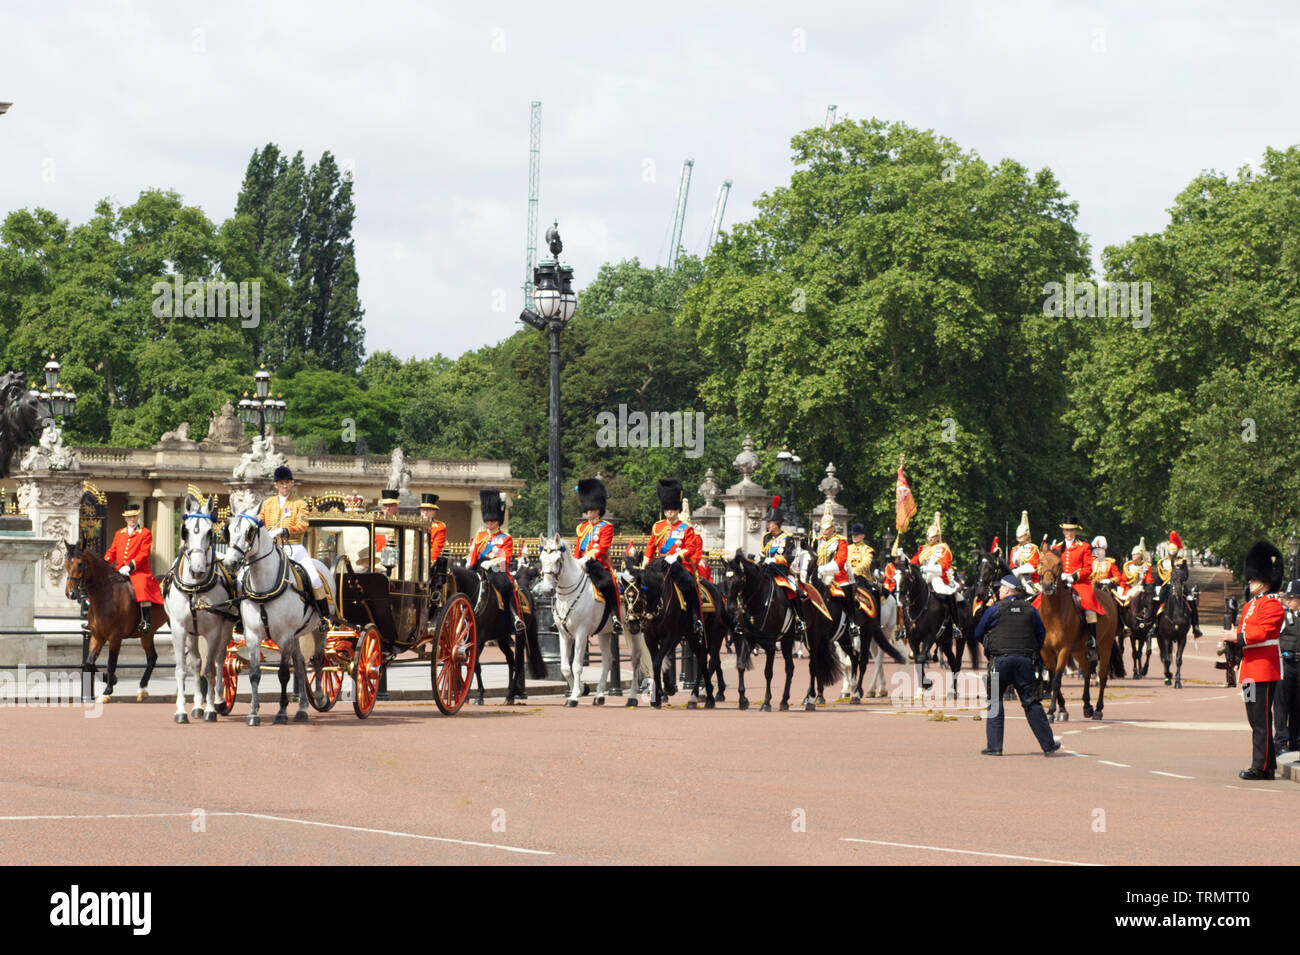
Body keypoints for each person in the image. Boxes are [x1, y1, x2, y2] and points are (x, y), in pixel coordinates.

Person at [975, 574, 1061, 756]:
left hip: (1000, 661)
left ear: (1007, 590)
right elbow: (1040, 634)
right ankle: (1048, 745)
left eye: (1000, 588)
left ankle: (995, 747)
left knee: (995, 702)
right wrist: (1030, 650)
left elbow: (978, 632)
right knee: (1031, 703)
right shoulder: (1030, 609)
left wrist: (991, 644)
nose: (999, 591)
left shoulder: (995, 609)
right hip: (1024, 662)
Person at [1235, 541, 1286, 779]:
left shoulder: (1273, 605)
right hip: (1248, 671)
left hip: (1264, 670)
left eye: (1254, 578)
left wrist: (1237, 637)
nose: (1250, 581)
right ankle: (1268, 764)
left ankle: (1261, 767)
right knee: (1252, 720)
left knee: (1261, 720)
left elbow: (1261, 633)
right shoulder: (1249, 606)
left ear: (1266, 579)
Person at [259, 466, 332, 627]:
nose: (285, 486)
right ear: (276, 485)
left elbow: (303, 525)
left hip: (294, 547)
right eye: (281, 483)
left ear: (292, 484)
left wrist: (285, 531)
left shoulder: (300, 504)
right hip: (271, 549)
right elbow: (260, 522)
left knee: (313, 577)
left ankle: (324, 616)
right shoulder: (267, 504)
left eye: (287, 482)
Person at [645, 478, 705, 637]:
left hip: (679, 565)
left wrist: (677, 557)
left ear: (678, 510)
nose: (669, 512)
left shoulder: (686, 528)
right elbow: (651, 546)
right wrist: (645, 563)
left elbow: (691, 548)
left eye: (672, 509)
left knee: (691, 586)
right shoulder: (657, 526)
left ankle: (696, 618)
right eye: (667, 509)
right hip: (660, 564)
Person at [468, 489, 526, 635]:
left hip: (496, 571)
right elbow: (474, 555)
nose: (490, 522)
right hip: (479, 569)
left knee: (507, 586)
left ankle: (515, 617)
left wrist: (492, 563)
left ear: (498, 520)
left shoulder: (506, 538)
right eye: (487, 520)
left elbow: (505, 558)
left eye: (492, 520)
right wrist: (470, 568)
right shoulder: (480, 536)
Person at [104, 502, 165, 632]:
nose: (132, 519)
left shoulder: (145, 533)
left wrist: (130, 567)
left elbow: (143, 554)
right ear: (125, 518)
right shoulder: (119, 533)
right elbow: (112, 551)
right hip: (119, 570)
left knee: (142, 587)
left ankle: (146, 621)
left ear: (138, 517)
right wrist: (105, 562)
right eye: (129, 517)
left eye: (134, 517)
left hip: (138, 571)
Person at [575, 478, 623, 635]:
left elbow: (603, 547)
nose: (589, 511)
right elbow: (577, 548)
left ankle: (616, 617)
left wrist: (589, 558)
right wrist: (576, 561)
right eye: (587, 508)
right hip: (581, 564)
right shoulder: (581, 527)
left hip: (598, 564)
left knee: (609, 583)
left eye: (592, 508)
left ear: (598, 509)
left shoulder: (606, 527)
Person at [1053, 516, 1104, 665]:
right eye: (1066, 530)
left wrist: (1073, 576)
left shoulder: (1084, 546)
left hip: (1079, 583)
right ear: (1063, 530)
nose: (1068, 532)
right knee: (1039, 602)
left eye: (1071, 530)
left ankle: (1092, 641)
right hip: (1060, 583)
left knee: (1088, 606)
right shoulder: (1057, 548)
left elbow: (1088, 568)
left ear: (1075, 530)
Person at [911, 511, 962, 634]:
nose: (930, 539)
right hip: (923, 577)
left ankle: (956, 625)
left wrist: (927, 568)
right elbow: (913, 562)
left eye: (932, 537)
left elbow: (943, 567)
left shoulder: (944, 548)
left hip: (936, 577)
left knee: (944, 592)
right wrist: (903, 557)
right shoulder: (924, 549)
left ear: (938, 537)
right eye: (928, 536)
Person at [815, 504, 860, 641]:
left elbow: (840, 562)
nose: (825, 531)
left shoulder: (841, 542)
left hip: (837, 577)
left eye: (828, 528)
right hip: (819, 576)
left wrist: (823, 569)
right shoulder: (817, 541)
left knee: (846, 594)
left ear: (833, 528)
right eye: (823, 528)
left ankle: (852, 622)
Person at [1274, 579, 1300, 756]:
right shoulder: (1283, 616)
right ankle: (1281, 741)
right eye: (1286, 598)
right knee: (1282, 704)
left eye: (1292, 598)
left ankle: (1296, 740)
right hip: (1285, 663)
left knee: (1298, 705)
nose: (1287, 601)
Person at [1009, 511, 1041, 595]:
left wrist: (1018, 571)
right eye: (1018, 536)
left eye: (1021, 536)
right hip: (1015, 580)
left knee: (1031, 592)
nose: (1019, 538)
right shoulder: (1014, 549)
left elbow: (1033, 567)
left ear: (1026, 535)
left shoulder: (1033, 548)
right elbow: (1012, 566)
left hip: (1030, 581)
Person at [417, 493, 447, 563]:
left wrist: (429, 563)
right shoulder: (413, 524)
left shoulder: (439, 527)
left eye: (428, 510)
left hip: (428, 561)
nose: (425, 512)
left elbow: (436, 549)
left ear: (434, 511)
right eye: (423, 509)